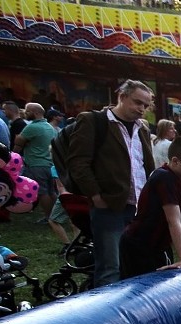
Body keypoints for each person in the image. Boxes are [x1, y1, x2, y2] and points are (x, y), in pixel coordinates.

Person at [67, 79, 156, 287]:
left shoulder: (142, 127)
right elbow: (78, 162)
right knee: (110, 266)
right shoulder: (93, 121)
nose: (141, 109)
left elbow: (144, 163)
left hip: (139, 207)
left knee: (137, 262)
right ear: (122, 97)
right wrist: (96, 196)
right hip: (109, 205)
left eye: (146, 105)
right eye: (137, 102)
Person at [119, 136, 181, 278]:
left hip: (159, 244)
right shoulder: (164, 177)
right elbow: (173, 220)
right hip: (140, 244)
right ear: (175, 161)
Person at [14, 103, 56, 222]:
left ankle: (49, 218)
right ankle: (57, 216)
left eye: (28, 111)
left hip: (36, 164)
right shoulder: (49, 126)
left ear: (36, 112)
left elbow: (18, 142)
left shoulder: (32, 127)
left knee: (42, 193)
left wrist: (13, 156)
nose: (25, 114)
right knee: (51, 191)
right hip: (49, 164)